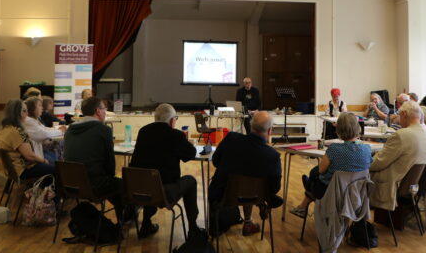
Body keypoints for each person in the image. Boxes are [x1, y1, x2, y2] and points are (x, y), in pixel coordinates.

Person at [130, 103, 201, 238]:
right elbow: (190, 154)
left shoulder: (143, 132)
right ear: (172, 120)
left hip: (140, 189)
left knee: (150, 176)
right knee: (190, 181)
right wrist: (187, 143)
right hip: (164, 192)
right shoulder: (176, 135)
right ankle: (193, 228)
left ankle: (146, 224)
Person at [208, 111, 282, 236]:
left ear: (251, 126)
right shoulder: (273, 156)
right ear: (270, 131)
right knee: (251, 184)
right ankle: (248, 222)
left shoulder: (231, 138)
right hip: (256, 196)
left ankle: (216, 227)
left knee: (236, 180)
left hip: (224, 196)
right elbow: (275, 188)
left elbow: (215, 161)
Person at [290, 112, 372, 218]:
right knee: (315, 173)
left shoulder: (334, 149)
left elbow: (321, 170)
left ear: (338, 130)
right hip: (357, 192)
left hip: (331, 191)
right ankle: (306, 195)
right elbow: (369, 165)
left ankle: (307, 192)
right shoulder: (366, 149)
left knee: (315, 173)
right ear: (357, 128)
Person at [369, 101, 426, 211]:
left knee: (358, 173)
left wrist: (363, 161)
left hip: (395, 185)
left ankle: (358, 221)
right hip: (416, 185)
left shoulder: (401, 135)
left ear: (404, 114)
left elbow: (377, 163)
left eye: (399, 114)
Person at [64, 96, 126, 218]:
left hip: (70, 184)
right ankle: (123, 221)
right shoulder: (103, 130)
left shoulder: (70, 130)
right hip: (93, 185)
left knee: (113, 184)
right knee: (124, 185)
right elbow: (110, 164)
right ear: (98, 111)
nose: (105, 112)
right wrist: (110, 177)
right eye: (104, 109)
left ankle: (121, 220)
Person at [0, 99, 54, 181]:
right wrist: (44, 160)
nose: (27, 114)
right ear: (16, 113)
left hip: (10, 169)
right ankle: (47, 192)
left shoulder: (4, 128)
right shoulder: (16, 132)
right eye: (24, 111)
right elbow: (29, 156)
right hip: (21, 170)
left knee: (50, 163)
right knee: (54, 168)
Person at [22, 96, 65, 163]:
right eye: (39, 106)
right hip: (35, 159)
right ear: (32, 108)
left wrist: (58, 130)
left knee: (57, 154)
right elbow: (44, 134)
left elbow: (44, 129)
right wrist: (60, 131)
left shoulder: (33, 120)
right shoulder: (28, 121)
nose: (42, 108)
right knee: (55, 162)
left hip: (39, 152)